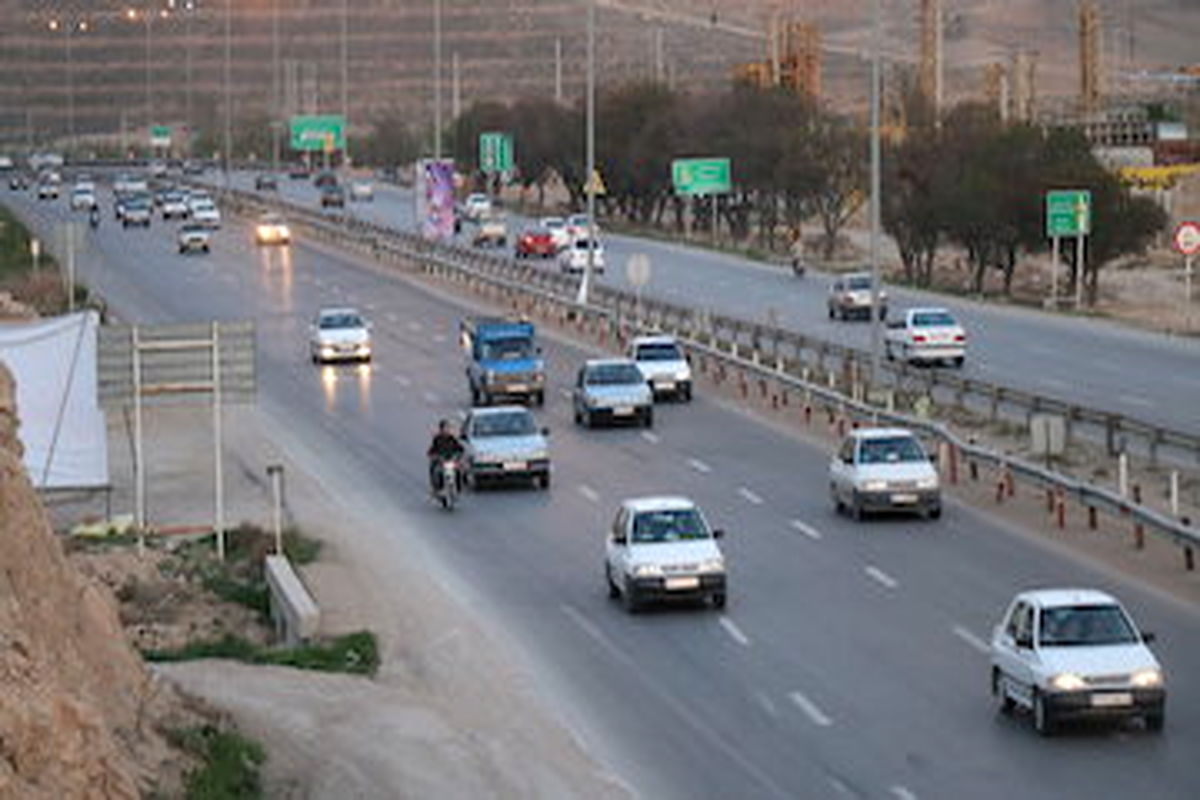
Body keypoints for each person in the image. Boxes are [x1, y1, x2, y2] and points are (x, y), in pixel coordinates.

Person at [427, 419, 464, 494]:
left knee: (458, 471)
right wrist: (433, 455)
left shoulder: (452, 438)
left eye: (448, 428)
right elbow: (432, 449)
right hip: (441, 461)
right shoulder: (437, 439)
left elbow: (460, 448)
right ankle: (437, 488)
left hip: (450, 460)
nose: (447, 430)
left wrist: (458, 455)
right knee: (436, 471)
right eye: (445, 428)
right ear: (441, 429)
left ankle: (458, 489)